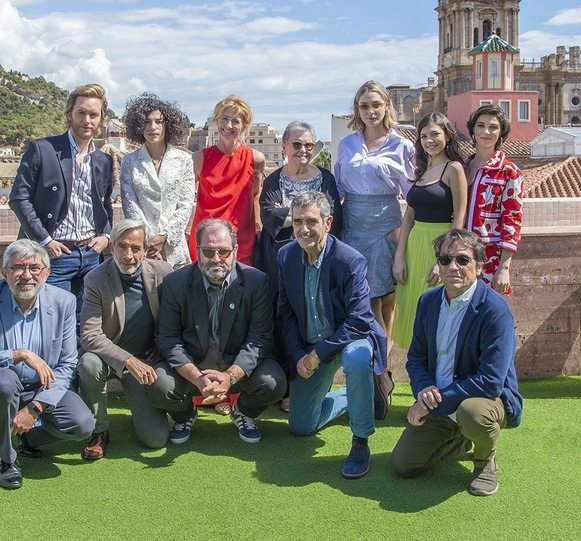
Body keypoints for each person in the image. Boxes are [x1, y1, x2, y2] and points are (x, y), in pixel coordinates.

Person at [0, 239, 95, 490]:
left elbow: (67, 363)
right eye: (18, 268)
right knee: (4, 381)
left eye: (34, 268)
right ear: (4, 272)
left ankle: (27, 436)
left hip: (41, 388)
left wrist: (36, 408)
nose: (26, 275)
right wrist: (17, 354)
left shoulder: (64, 302)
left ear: (47, 273)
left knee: (83, 424)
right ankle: (7, 459)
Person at [391, 229, 523, 497]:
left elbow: (490, 381)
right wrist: (424, 390)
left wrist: (435, 401)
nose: (452, 266)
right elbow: (416, 357)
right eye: (445, 259)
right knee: (404, 464)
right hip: (441, 400)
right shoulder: (427, 302)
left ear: (479, 265)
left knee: (473, 414)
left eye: (462, 260)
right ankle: (463, 439)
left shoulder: (494, 310)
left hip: (484, 400)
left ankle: (485, 458)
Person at [277, 191, 389, 479]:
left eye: (311, 221)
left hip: (350, 338)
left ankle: (360, 441)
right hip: (311, 346)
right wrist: (299, 355)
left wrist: (317, 354)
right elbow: (286, 312)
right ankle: (357, 396)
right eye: (298, 221)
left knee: (357, 357)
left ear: (328, 222)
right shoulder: (286, 256)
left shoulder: (350, 260)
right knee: (301, 426)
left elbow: (360, 319)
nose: (303, 229)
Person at [153, 219, 286, 444]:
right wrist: (197, 377)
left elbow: (259, 338)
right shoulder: (175, 283)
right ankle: (185, 415)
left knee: (273, 383)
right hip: (193, 366)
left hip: (235, 365)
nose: (216, 259)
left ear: (235, 251)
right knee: (160, 385)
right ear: (197, 250)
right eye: (208, 251)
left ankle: (242, 411)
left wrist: (229, 376)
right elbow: (168, 339)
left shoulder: (256, 281)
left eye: (223, 251)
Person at [9, 83, 115, 314]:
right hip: (54, 255)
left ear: (101, 120)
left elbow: (105, 204)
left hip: (90, 255)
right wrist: (45, 241)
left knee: (86, 322)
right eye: (82, 113)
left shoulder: (104, 161)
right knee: (51, 319)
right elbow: (18, 198)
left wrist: (106, 235)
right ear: (70, 114)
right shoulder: (42, 149)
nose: (87, 120)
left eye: (94, 115)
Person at [78, 219, 175, 458]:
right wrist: (128, 360)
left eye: (135, 248)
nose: (128, 255)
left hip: (145, 362)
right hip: (108, 359)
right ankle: (99, 431)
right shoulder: (95, 279)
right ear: (111, 247)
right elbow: (90, 335)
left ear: (146, 249)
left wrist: (159, 344)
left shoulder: (163, 273)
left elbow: (177, 319)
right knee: (88, 363)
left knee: (155, 440)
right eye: (121, 246)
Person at [334, 80, 414, 358]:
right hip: (353, 227)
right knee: (363, 299)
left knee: (386, 300)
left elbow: (413, 197)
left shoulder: (402, 145)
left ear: (386, 107)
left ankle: (383, 367)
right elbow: (339, 191)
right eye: (364, 105)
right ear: (358, 109)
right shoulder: (347, 144)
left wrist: (398, 234)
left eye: (376, 104)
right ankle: (373, 364)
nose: (370, 111)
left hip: (385, 226)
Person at [393, 113, 467, 350]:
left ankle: (439, 382)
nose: (429, 140)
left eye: (434, 134)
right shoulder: (421, 170)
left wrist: (443, 260)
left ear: (447, 135)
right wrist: (399, 257)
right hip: (414, 249)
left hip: (439, 246)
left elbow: (459, 218)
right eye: (423, 136)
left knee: (436, 320)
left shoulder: (454, 169)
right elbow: (409, 216)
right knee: (413, 314)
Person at [257, 121, 342, 302]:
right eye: (297, 144)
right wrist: (311, 218)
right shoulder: (273, 180)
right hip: (279, 260)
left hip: (318, 257)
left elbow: (332, 219)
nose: (303, 150)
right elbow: (269, 216)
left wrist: (288, 216)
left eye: (309, 145)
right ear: (284, 147)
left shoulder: (326, 179)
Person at [119, 93, 195, 267]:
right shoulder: (129, 162)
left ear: (168, 125)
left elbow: (185, 204)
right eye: (146, 122)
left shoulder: (184, 160)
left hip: (174, 248)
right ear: (138, 126)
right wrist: (149, 240)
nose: (153, 127)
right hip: (142, 249)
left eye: (159, 121)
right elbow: (130, 205)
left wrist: (165, 236)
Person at [188, 95, 266, 265]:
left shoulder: (256, 159)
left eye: (235, 121)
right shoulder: (199, 158)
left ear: (244, 125)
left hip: (241, 239)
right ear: (217, 120)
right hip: (206, 241)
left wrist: (258, 225)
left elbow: (256, 195)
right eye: (224, 119)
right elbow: (186, 199)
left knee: (240, 288)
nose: (229, 125)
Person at [464, 104, 523, 295]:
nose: (486, 132)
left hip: (490, 258)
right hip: (460, 254)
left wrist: (504, 268)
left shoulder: (509, 172)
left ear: (501, 133)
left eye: (493, 127)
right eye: (480, 126)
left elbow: (512, 220)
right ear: (473, 130)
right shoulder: (462, 166)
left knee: (486, 314)